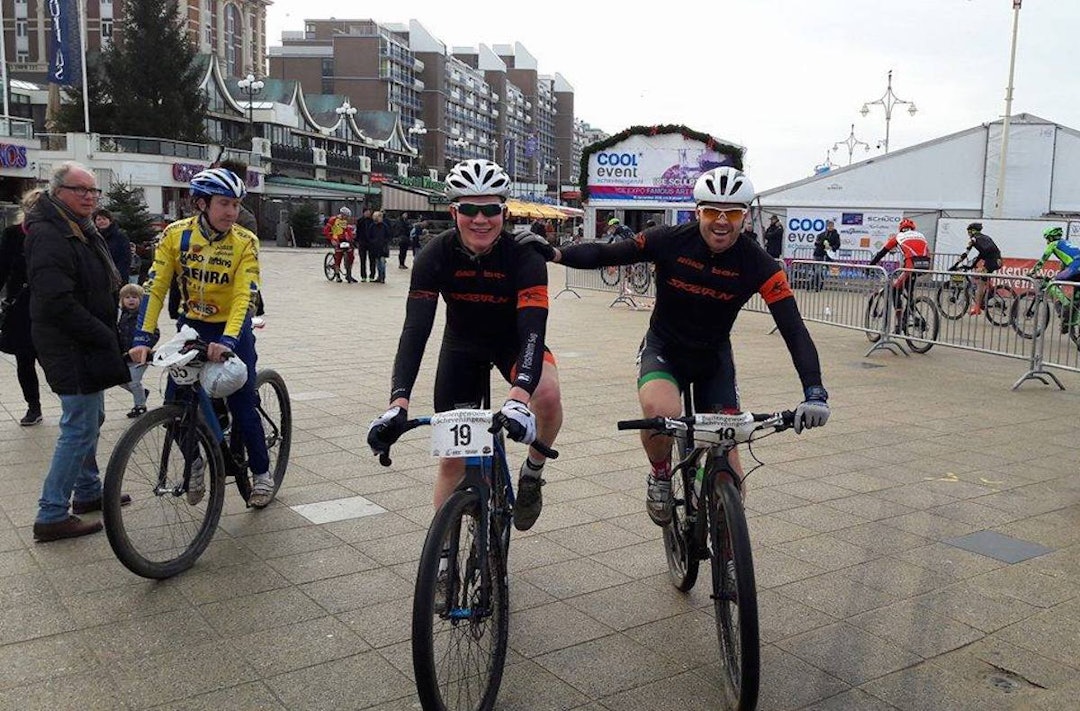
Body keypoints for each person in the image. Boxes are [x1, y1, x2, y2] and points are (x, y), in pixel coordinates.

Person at [521, 167, 828, 526]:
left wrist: (814, 391)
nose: (721, 222)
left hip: (713, 359)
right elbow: (609, 254)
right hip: (665, 348)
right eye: (712, 212)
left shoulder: (758, 263)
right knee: (661, 413)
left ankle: (730, 560)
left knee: (730, 468)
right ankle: (661, 474)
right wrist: (555, 254)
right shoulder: (669, 239)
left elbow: (793, 328)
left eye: (732, 214)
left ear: (745, 218)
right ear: (698, 211)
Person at [367, 159, 563, 533]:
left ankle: (532, 474)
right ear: (454, 211)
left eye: (490, 209)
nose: (480, 219)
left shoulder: (524, 256)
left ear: (504, 212)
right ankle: (443, 558)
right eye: (469, 209)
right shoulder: (435, 255)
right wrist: (398, 402)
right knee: (452, 461)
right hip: (462, 346)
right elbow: (415, 331)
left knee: (548, 395)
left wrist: (520, 396)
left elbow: (533, 329)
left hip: (514, 341)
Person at [129, 168, 276, 508]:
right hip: (191, 328)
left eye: (236, 204)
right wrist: (142, 336)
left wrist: (227, 341)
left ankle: (262, 473)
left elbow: (245, 296)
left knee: (243, 405)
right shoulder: (174, 235)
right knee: (175, 405)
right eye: (224, 203)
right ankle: (195, 464)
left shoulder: (245, 242)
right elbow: (156, 287)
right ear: (201, 203)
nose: (231, 212)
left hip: (232, 329)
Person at [25, 162, 131, 542]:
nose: (89, 196)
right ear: (58, 192)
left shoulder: (78, 228)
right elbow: (56, 301)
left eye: (93, 191)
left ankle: (88, 492)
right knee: (79, 425)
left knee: (92, 416)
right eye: (80, 189)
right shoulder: (51, 234)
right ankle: (51, 512)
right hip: (69, 344)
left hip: (84, 341)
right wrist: (104, 333)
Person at [0, 212, 43, 425]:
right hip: (20, 309)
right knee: (24, 361)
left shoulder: (56, 234)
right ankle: (33, 406)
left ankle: (69, 403)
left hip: (49, 308)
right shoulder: (12, 235)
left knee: (54, 361)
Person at [868, 218, 932, 330]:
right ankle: (909, 312)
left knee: (895, 289)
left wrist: (870, 265)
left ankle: (899, 324)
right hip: (925, 265)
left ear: (901, 229)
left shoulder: (898, 237)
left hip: (911, 266)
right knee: (907, 288)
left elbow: (881, 253)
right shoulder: (920, 235)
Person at [1029, 226, 1080, 331]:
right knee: (1075, 300)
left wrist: (1032, 271)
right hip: (1075, 268)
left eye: (1047, 239)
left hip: (1076, 268)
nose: (1047, 242)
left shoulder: (1054, 244)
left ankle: (1065, 305)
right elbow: (1064, 265)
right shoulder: (1067, 243)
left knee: (1052, 283)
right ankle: (1069, 322)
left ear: (1051, 238)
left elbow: (1043, 260)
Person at [117, 283, 156, 417]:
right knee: (120, 379)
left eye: (134, 297)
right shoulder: (121, 316)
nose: (131, 300)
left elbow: (154, 333)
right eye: (127, 297)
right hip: (126, 355)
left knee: (134, 381)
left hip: (141, 356)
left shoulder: (144, 317)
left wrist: (146, 345)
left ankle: (140, 406)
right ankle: (141, 393)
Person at [962, 222, 1002, 316]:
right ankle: (990, 290)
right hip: (996, 260)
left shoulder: (974, 239)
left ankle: (977, 308)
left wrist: (955, 265)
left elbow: (965, 254)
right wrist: (974, 264)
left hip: (991, 262)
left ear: (972, 231)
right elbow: (983, 254)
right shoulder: (985, 237)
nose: (968, 234)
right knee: (981, 276)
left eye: (968, 232)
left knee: (980, 282)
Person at [94, 208, 132, 285]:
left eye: (104, 219)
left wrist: (119, 277)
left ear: (110, 221)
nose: (101, 221)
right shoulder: (93, 237)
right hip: (97, 278)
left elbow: (125, 259)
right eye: (99, 219)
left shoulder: (120, 237)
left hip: (117, 277)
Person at [323, 206, 357, 282]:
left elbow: (348, 231)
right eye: (346, 216)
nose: (347, 218)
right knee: (338, 257)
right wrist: (332, 238)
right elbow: (326, 231)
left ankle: (349, 275)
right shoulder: (333, 220)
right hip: (336, 239)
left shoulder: (346, 221)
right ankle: (337, 275)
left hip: (345, 240)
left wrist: (352, 239)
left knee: (351, 255)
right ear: (342, 214)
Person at [812, 219, 841, 291]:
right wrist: (820, 243)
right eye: (829, 225)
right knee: (817, 271)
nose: (830, 226)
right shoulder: (822, 234)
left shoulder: (836, 235)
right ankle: (815, 285)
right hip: (818, 254)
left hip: (827, 255)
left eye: (831, 225)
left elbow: (837, 245)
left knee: (819, 271)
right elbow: (816, 243)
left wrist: (831, 247)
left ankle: (818, 285)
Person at [368, 211, 391, 283]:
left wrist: (385, 242)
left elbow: (388, 236)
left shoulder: (385, 226)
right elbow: (369, 236)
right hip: (375, 247)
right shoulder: (372, 226)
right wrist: (372, 242)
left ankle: (382, 277)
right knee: (378, 263)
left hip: (383, 247)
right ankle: (379, 276)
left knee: (382, 263)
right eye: (375, 217)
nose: (377, 218)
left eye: (378, 216)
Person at [355, 207, 374, 281]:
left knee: (372, 260)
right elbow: (358, 232)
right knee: (362, 260)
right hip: (362, 242)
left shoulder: (372, 221)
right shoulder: (360, 221)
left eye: (369, 212)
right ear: (363, 213)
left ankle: (372, 275)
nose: (368, 213)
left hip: (371, 243)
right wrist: (357, 240)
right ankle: (363, 276)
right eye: (366, 212)